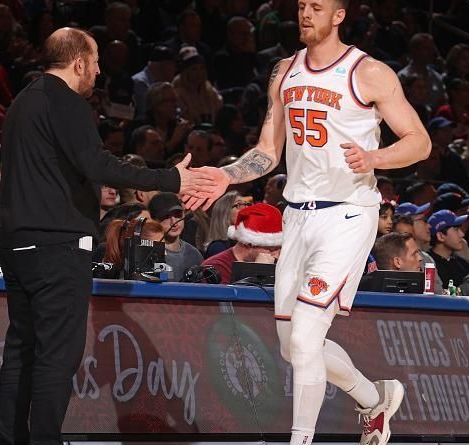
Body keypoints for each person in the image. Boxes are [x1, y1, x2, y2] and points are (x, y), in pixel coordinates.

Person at [185, 1, 431, 444]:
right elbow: (268, 149)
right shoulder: (284, 70)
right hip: (297, 216)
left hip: (348, 214)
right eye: (301, 5)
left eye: (317, 6)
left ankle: (300, 441)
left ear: (338, 16)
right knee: (292, 345)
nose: (305, 13)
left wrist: (375, 157)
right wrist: (226, 174)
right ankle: (373, 398)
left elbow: (420, 143)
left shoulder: (368, 72)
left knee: (303, 340)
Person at [0, 28, 213, 445]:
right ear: (78, 62)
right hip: (56, 245)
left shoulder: (23, 101)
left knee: (22, 348)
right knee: (57, 354)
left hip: (17, 243)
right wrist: (171, 177)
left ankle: (12, 439)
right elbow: (99, 164)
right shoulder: (67, 102)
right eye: (94, 62)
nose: (97, 70)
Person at [203, 202, 282, 283]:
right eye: (271, 249)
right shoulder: (215, 268)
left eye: (280, 248)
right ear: (249, 244)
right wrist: (259, 272)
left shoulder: (278, 266)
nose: (277, 256)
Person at [147, 192, 203, 281]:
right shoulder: (149, 255)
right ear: (154, 221)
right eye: (166, 217)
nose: (174, 223)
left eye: (177, 215)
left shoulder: (194, 255)